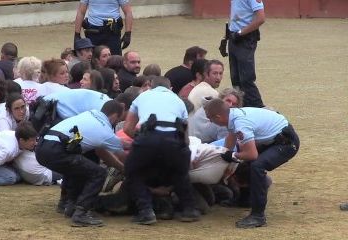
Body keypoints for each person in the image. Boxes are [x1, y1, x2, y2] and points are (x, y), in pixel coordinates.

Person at [204, 98, 300, 228]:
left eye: (210, 118)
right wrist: (224, 154)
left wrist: (231, 155)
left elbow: (251, 154)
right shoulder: (232, 116)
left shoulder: (240, 123)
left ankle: (258, 216)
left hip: (287, 143)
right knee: (243, 163)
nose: (210, 121)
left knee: (257, 166)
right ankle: (244, 199)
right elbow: (230, 142)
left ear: (218, 116)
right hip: (275, 138)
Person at [35, 100, 126, 227]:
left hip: (42, 146)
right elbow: (122, 150)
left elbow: (100, 151)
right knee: (99, 173)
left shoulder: (89, 114)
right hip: (56, 149)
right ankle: (81, 214)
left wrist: (120, 167)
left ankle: (68, 205)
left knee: (78, 166)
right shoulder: (104, 128)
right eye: (119, 119)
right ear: (115, 116)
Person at [123, 76, 200, 225]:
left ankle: (146, 211)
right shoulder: (178, 101)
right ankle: (189, 209)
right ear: (170, 88)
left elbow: (127, 128)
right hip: (174, 140)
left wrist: (141, 141)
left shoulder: (143, 96)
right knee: (180, 173)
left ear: (150, 85)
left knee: (132, 172)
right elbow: (186, 139)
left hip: (148, 138)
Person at [227, 0, 265, 107]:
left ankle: (259, 107)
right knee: (235, 78)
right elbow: (235, 14)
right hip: (234, 36)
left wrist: (240, 33)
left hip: (245, 37)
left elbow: (261, 18)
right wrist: (227, 35)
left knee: (246, 79)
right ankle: (240, 106)